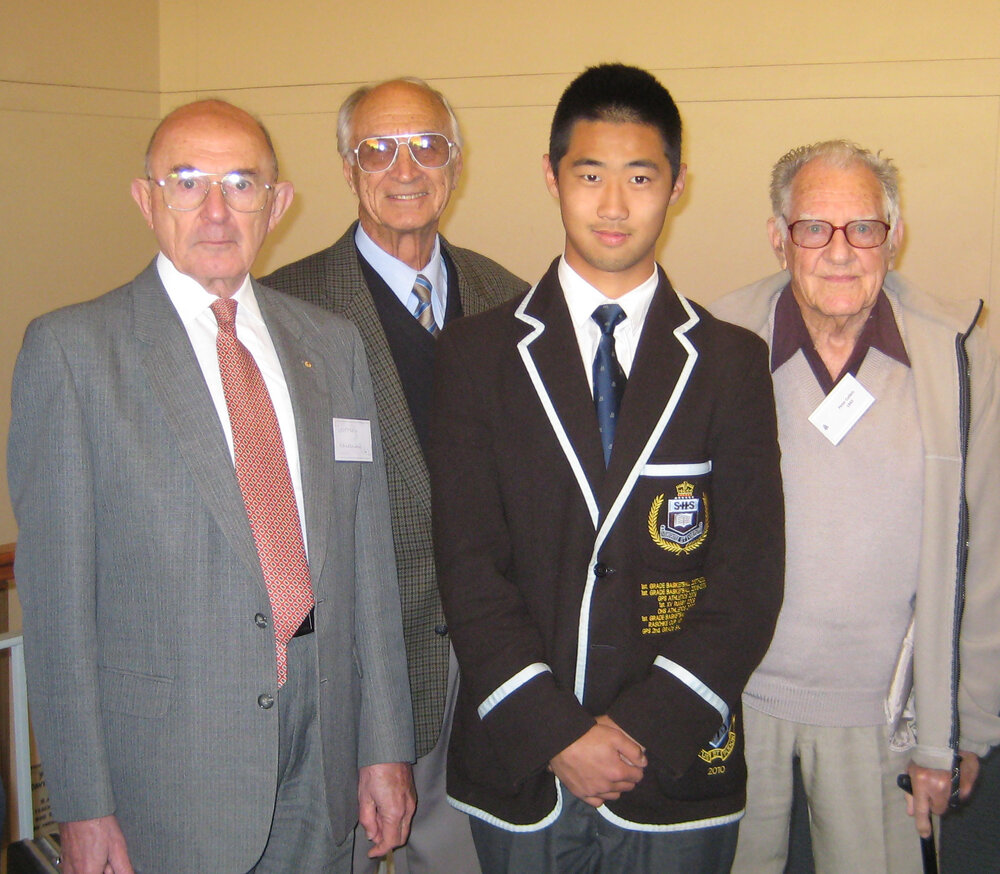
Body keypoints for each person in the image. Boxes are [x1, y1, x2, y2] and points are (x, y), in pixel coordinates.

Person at [7, 99, 416, 874]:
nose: (218, 211)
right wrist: (84, 805)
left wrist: (385, 747)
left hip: (323, 752)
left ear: (280, 201)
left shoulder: (330, 347)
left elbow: (369, 564)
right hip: (169, 774)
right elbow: (57, 611)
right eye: (188, 182)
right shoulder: (74, 352)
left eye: (242, 183)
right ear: (146, 199)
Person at [428, 63, 785, 874]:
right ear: (552, 178)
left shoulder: (729, 361)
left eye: (640, 177)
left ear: (678, 185)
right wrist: (557, 733)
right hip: (522, 764)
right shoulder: (477, 356)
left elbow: (749, 578)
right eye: (590, 176)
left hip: (675, 765)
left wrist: (642, 730)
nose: (615, 205)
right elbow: (470, 568)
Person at [711, 139, 1000, 872]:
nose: (840, 251)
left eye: (862, 228)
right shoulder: (709, 345)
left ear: (894, 238)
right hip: (735, 704)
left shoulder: (960, 359)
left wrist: (966, 724)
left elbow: (988, 552)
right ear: (778, 238)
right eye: (815, 228)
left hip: (887, 714)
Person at [264, 77, 528, 874]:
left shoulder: (508, 300)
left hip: (486, 664)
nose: (405, 168)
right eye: (377, 149)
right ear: (347, 168)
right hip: (356, 668)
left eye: (427, 146)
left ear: (456, 162)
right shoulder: (284, 307)